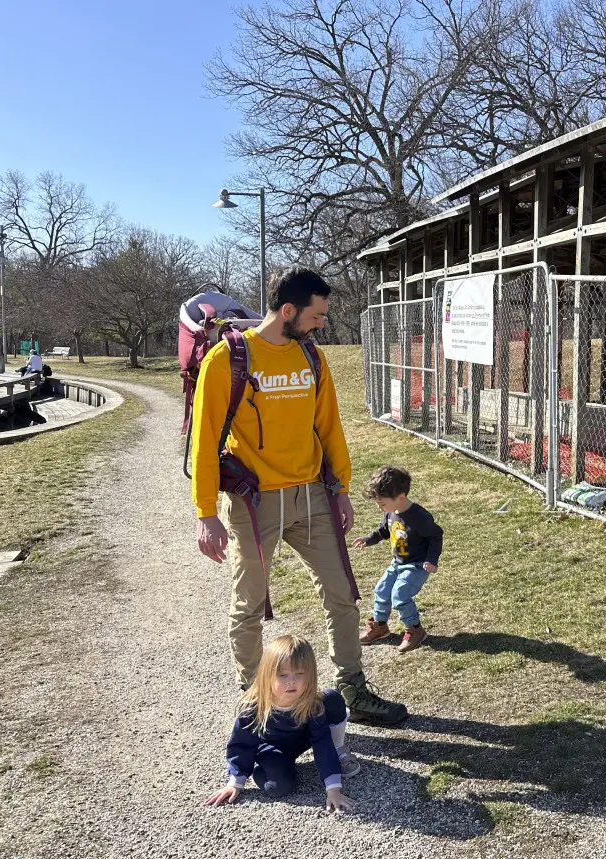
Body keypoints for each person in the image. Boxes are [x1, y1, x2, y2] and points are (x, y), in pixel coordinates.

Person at [191, 265, 408, 726]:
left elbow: (329, 426)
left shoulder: (312, 357)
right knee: (248, 606)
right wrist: (206, 512)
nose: (321, 324)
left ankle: (354, 689)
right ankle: (258, 707)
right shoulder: (228, 358)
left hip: (312, 497)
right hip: (255, 502)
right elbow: (205, 439)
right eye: (316, 315)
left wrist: (343, 491)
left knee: (342, 595)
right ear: (288, 310)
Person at [204, 634, 357, 810]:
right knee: (277, 788)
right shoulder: (254, 707)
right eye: (283, 675)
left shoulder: (311, 703)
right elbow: (241, 744)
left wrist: (333, 788)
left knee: (330, 698)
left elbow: (322, 742)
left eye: (300, 674)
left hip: (303, 738)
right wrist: (236, 781)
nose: (291, 681)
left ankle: (339, 752)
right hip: (274, 747)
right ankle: (266, 768)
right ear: (267, 675)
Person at [353, 466, 443, 654]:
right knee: (382, 591)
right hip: (397, 563)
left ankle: (415, 630)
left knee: (400, 596)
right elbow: (383, 530)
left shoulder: (419, 517)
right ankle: (380, 627)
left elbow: (436, 535)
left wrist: (431, 559)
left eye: (382, 504)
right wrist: (369, 539)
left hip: (417, 565)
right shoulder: (391, 512)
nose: (380, 507)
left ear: (400, 497)